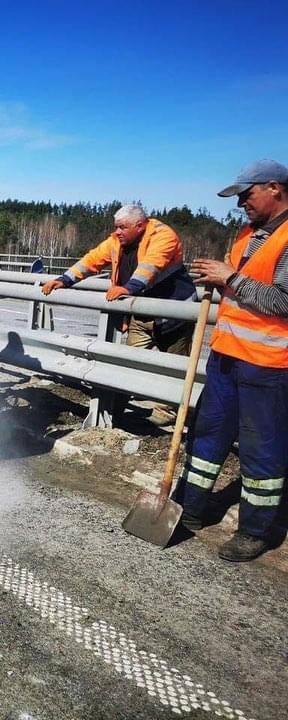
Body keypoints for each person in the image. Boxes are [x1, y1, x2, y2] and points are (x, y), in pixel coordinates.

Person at [177, 159, 288, 562]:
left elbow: (284, 302)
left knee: (262, 450)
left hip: (268, 364)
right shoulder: (247, 234)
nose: (241, 202)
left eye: (247, 194)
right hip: (225, 357)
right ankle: (189, 508)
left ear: (274, 188)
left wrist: (230, 278)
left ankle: (256, 530)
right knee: (208, 434)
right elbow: (237, 290)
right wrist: (212, 279)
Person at [42, 204, 196, 354]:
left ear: (140, 225)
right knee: (131, 362)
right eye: (116, 227)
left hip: (174, 312)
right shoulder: (117, 241)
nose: (117, 232)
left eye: (123, 227)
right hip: (142, 311)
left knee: (173, 366)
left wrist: (128, 288)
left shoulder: (163, 235)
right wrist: (65, 280)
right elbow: (92, 259)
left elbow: (151, 265)